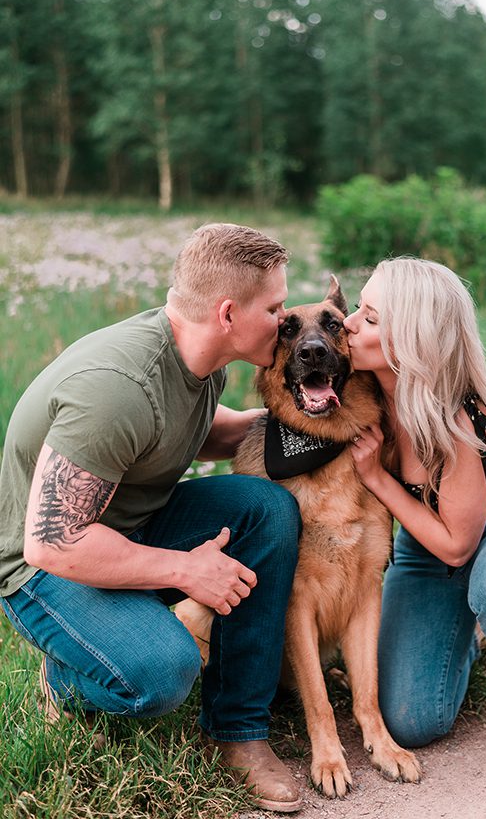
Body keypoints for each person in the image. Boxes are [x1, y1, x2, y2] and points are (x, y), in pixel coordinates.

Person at [0, 224, 304, 813]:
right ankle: (68, 680)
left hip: (129, 525)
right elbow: (51, 544)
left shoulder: (199, 355)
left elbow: (192, 434)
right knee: (163, 672)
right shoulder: (118, 390)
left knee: (267, 510)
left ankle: (239, 734)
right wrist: (188, 571)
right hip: (43, 566)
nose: (284, 319)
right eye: (274, 307)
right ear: (227, 313)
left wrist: (310, 428)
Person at [342, 257, 486, 780]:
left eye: (371, 318)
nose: (351, 323)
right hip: (425, 553)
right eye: (358, 308)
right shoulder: (365, 393)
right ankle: (476, 624)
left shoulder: (454, 416)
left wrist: (378, 480)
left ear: (412, 341)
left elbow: (456, 546)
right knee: (410, 720)